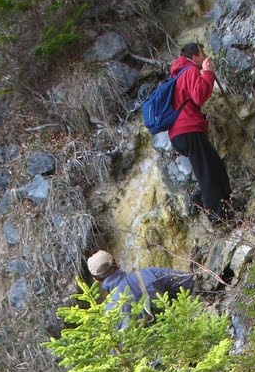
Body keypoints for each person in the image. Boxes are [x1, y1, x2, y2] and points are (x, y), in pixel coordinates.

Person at [168, 42, 232, 225]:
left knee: (213, 164)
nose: (205, 57)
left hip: (181, 133)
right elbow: (199, 95)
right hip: (188, 130)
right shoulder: (189, 71)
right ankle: (217, 216)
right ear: (195, 57)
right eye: (202, 54)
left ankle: (225, 202)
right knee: (207, 172)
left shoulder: (177, 74)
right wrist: (208, 72)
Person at [87, 250, 194, 328]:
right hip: (183, 339)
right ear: (116, 262)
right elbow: (189, 280)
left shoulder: (109, 313)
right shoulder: (149, 274)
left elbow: (118, 353)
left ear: (96, 280)